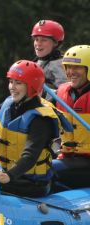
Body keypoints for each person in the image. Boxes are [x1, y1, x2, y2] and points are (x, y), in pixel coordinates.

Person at [0, 60, 71, 197]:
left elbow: (30, 155)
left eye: (18, 83)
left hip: (33, 182)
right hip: (12, 174)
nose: (12, 87)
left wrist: (9, 176)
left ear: (32, 87)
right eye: (11, 82)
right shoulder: (7, 105)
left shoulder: (40, 118)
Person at [53, 45, 90, 188]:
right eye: (68, 67)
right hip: (67, 157)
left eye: (77, 67)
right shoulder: (61, 93)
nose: (70, 72)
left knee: (47, 170)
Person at [31, 20, 67, 97]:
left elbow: (65, 93)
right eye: (36, 39)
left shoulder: (59, 64)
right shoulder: (36, 62)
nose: (38, 44)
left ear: (56, 43)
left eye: (44, 40)